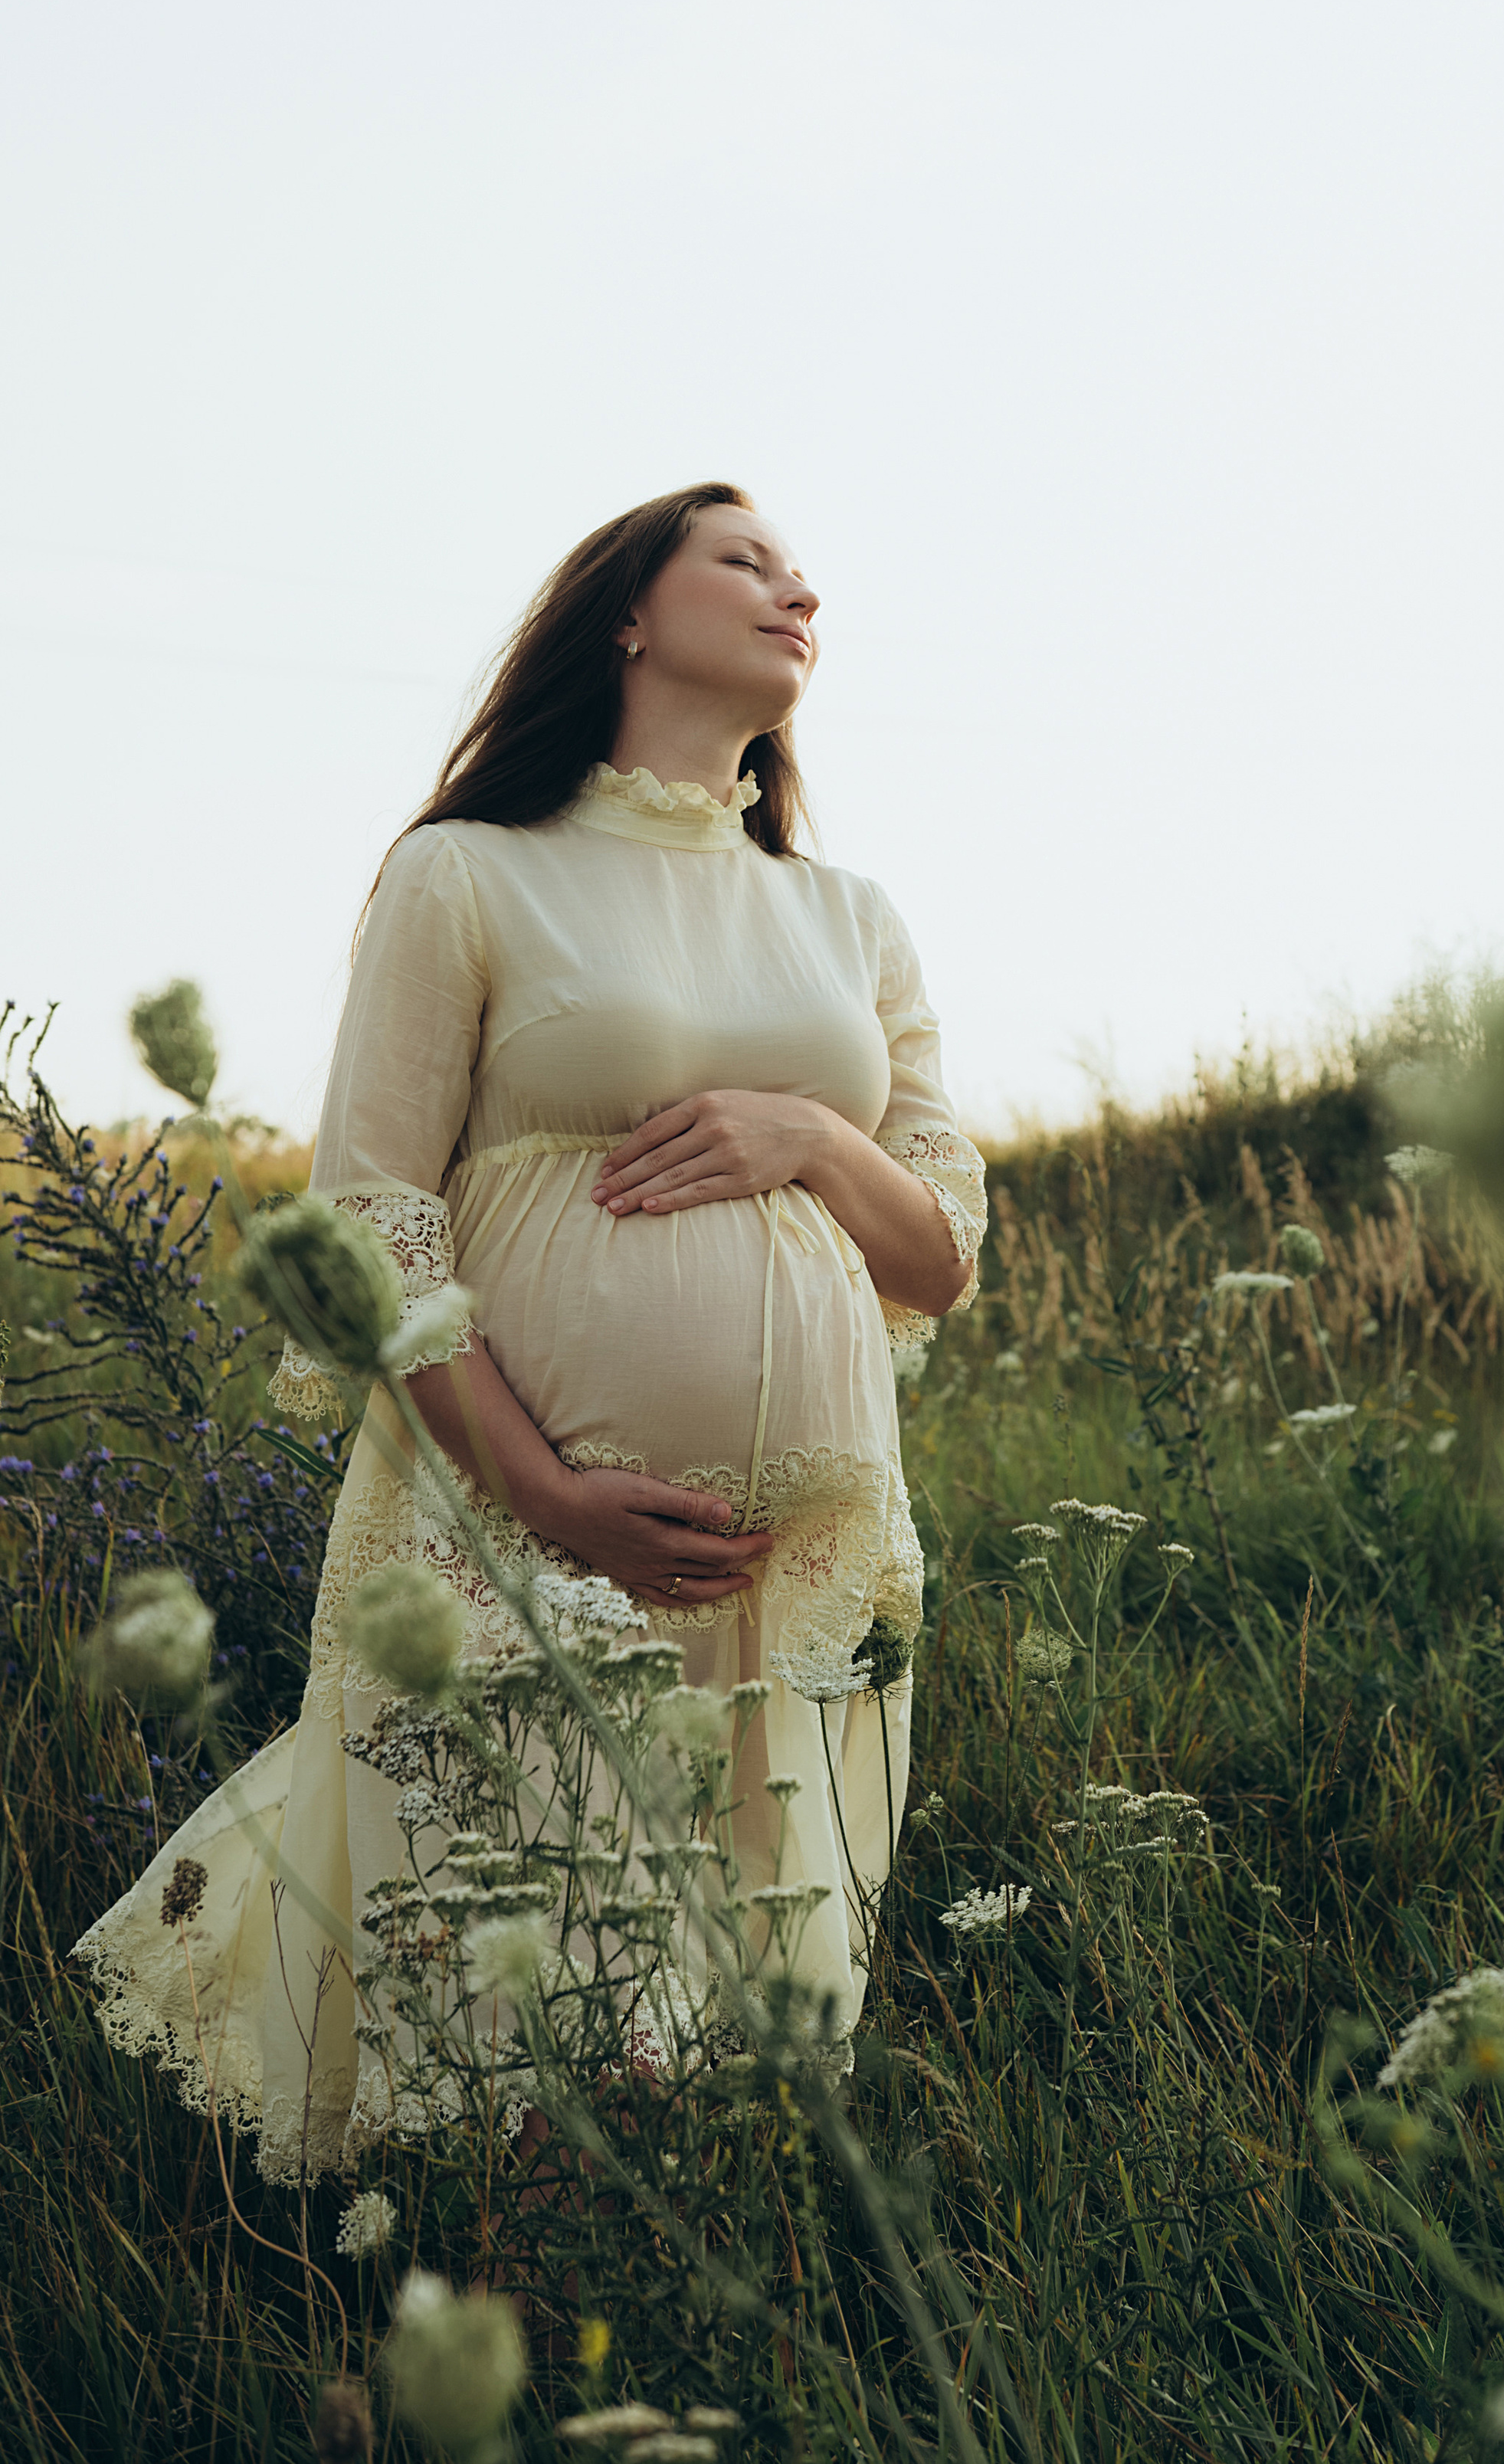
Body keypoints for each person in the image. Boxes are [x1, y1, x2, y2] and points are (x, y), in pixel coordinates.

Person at [74, 483, 985, 2181]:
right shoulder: (469, 875)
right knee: (531, 2012)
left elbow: (935, 1257)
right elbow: (370, 1223)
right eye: (747, 560)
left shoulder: (848, 915)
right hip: (524, 1531)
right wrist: (547, 1498)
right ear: (626, 616)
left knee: (738, 2015)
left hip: (785, 1567)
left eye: (801, 573)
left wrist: (811, 1140)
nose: (802, 590)